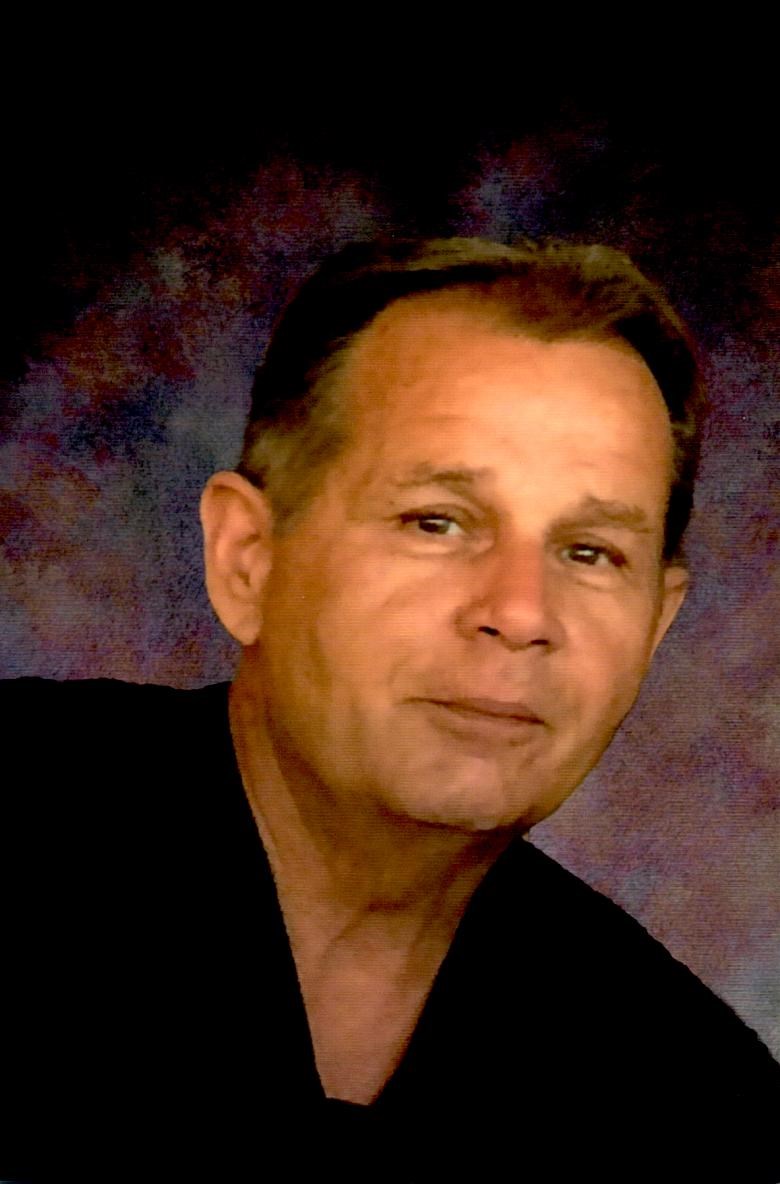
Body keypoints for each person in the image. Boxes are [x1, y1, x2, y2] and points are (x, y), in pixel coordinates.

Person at [2, 236, 778, 1182]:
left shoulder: (701, 1110)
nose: (521, 613)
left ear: (655, 627)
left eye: (589, 553)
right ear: (248, 561)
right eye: (435, 523)